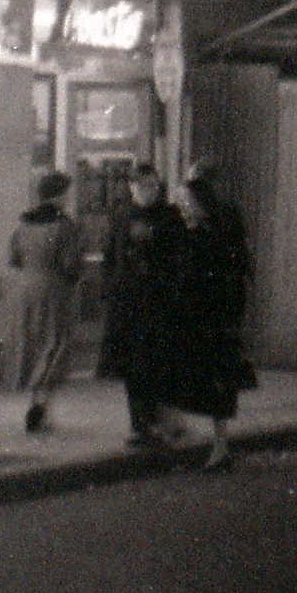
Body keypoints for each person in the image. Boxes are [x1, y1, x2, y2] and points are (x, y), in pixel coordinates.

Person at [170, 165, 256, 471]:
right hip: (202, 317)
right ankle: (214, 443)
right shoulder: (194, 231)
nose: (181, 206)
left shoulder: (207, 235)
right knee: (207, 380)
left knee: (215, 381)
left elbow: (220, 276)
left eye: (185, 200)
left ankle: (218, 446)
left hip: (210, 318)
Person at [101, 163, 190, 447]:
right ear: (132, 186)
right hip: (128, 300)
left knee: (153, 362)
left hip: (158, 300)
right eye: (142, 186)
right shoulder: (121, 215)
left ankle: (152, 421)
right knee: (133, 364)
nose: (148, 191)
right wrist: (110, 290)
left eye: (153, 186)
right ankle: (140, 423)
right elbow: (110, 255)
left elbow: (179, 256)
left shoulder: (169, 216)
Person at [6, 171, 86, 434]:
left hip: (26, 290)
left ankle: (34, 402)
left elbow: (13, 258)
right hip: (54, 290)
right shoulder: (65, 226)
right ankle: (41, 406)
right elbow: (71, 265)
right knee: (54, 346)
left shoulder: (22, 223)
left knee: (31, 344)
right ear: (60, 194)